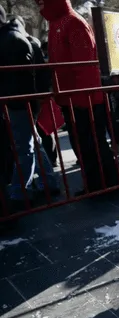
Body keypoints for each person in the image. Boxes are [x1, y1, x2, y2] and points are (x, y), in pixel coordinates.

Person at [38, 0, 118, 195]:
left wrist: (79, 99)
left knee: (92, 143)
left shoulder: (73, 22)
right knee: (82, 144)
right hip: (71, 98)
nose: (39, 6)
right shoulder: (56, 23)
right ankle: (95, 184)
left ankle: (106, 185)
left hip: (83, 99)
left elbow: (85, 65)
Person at [1, 6, 58, 211]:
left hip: (18, 102)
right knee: (31, 142)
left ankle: (20, 192)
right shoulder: (15, 38)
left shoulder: (12, 40)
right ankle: (48, 182)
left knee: (25, 147)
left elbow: (20, 77)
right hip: (20, 101)